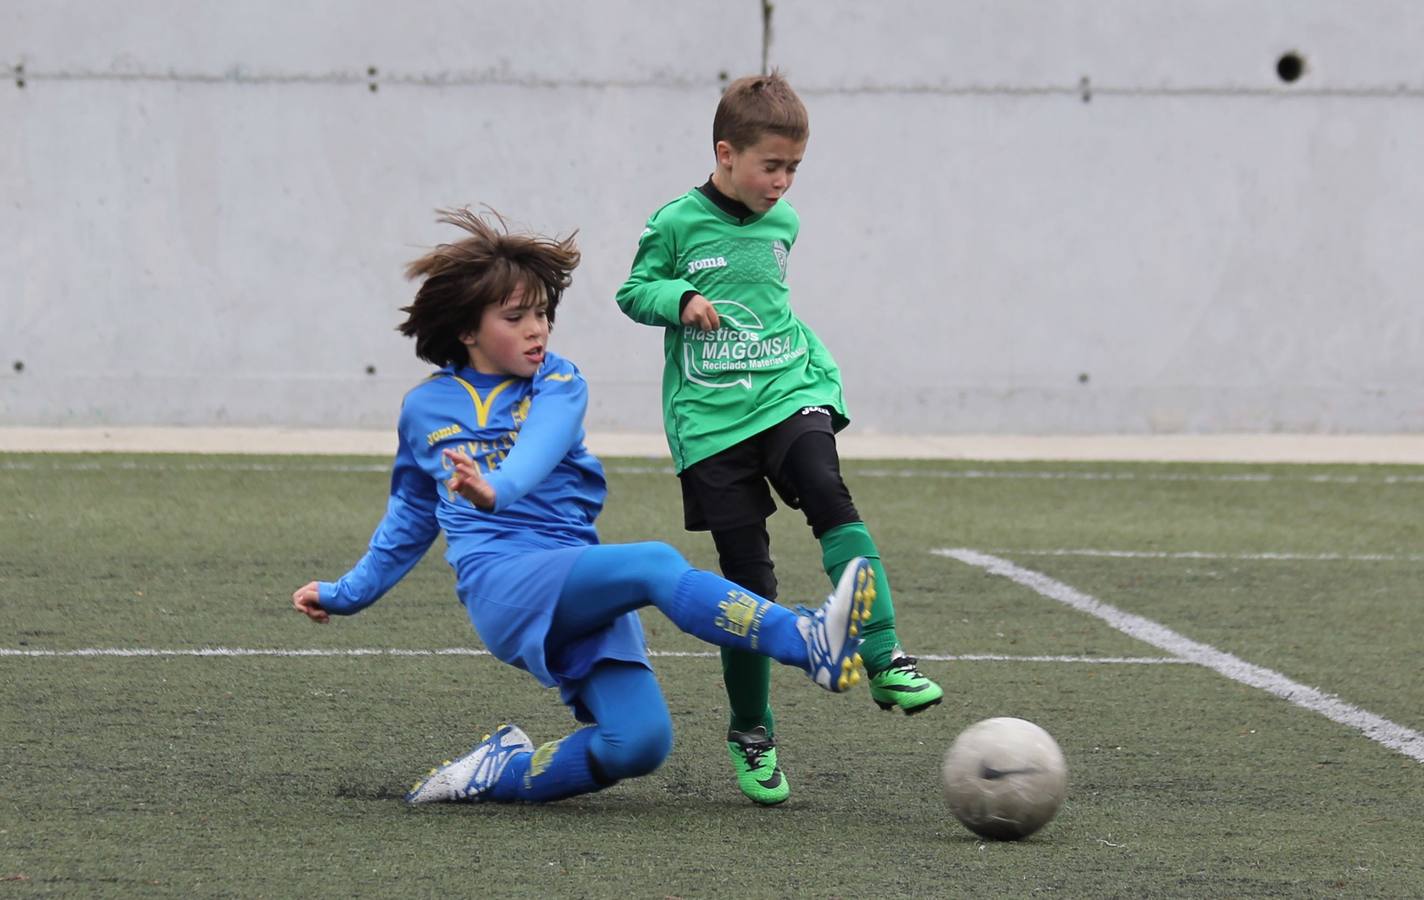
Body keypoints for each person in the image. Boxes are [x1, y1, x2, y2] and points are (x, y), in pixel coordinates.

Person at [291, 208, 875, 806]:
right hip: (502, 580)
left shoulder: (559, 382)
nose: (536, 329)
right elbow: (410, 518)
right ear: (467, 330)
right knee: (654, 563)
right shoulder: (424, 410)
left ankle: (499, 772)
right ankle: (805, 642)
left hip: (572, 570)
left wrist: (497, 487)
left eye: (543, 313)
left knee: (640, 743)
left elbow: (541, 443)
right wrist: (345, 592)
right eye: (515, 317)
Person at [614, 72, 943, 806]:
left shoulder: (783, 223)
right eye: (772, 166)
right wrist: (681, 298)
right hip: (709, 423)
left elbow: (773, 302)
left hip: (788, 391)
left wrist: (815, 376)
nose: (783, 183)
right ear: (726, 153)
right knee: (748, 583)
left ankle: (886, 655)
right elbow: (633, 292)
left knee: (827, 491)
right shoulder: (674, 222)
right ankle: (751, 732)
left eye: (794, 169)